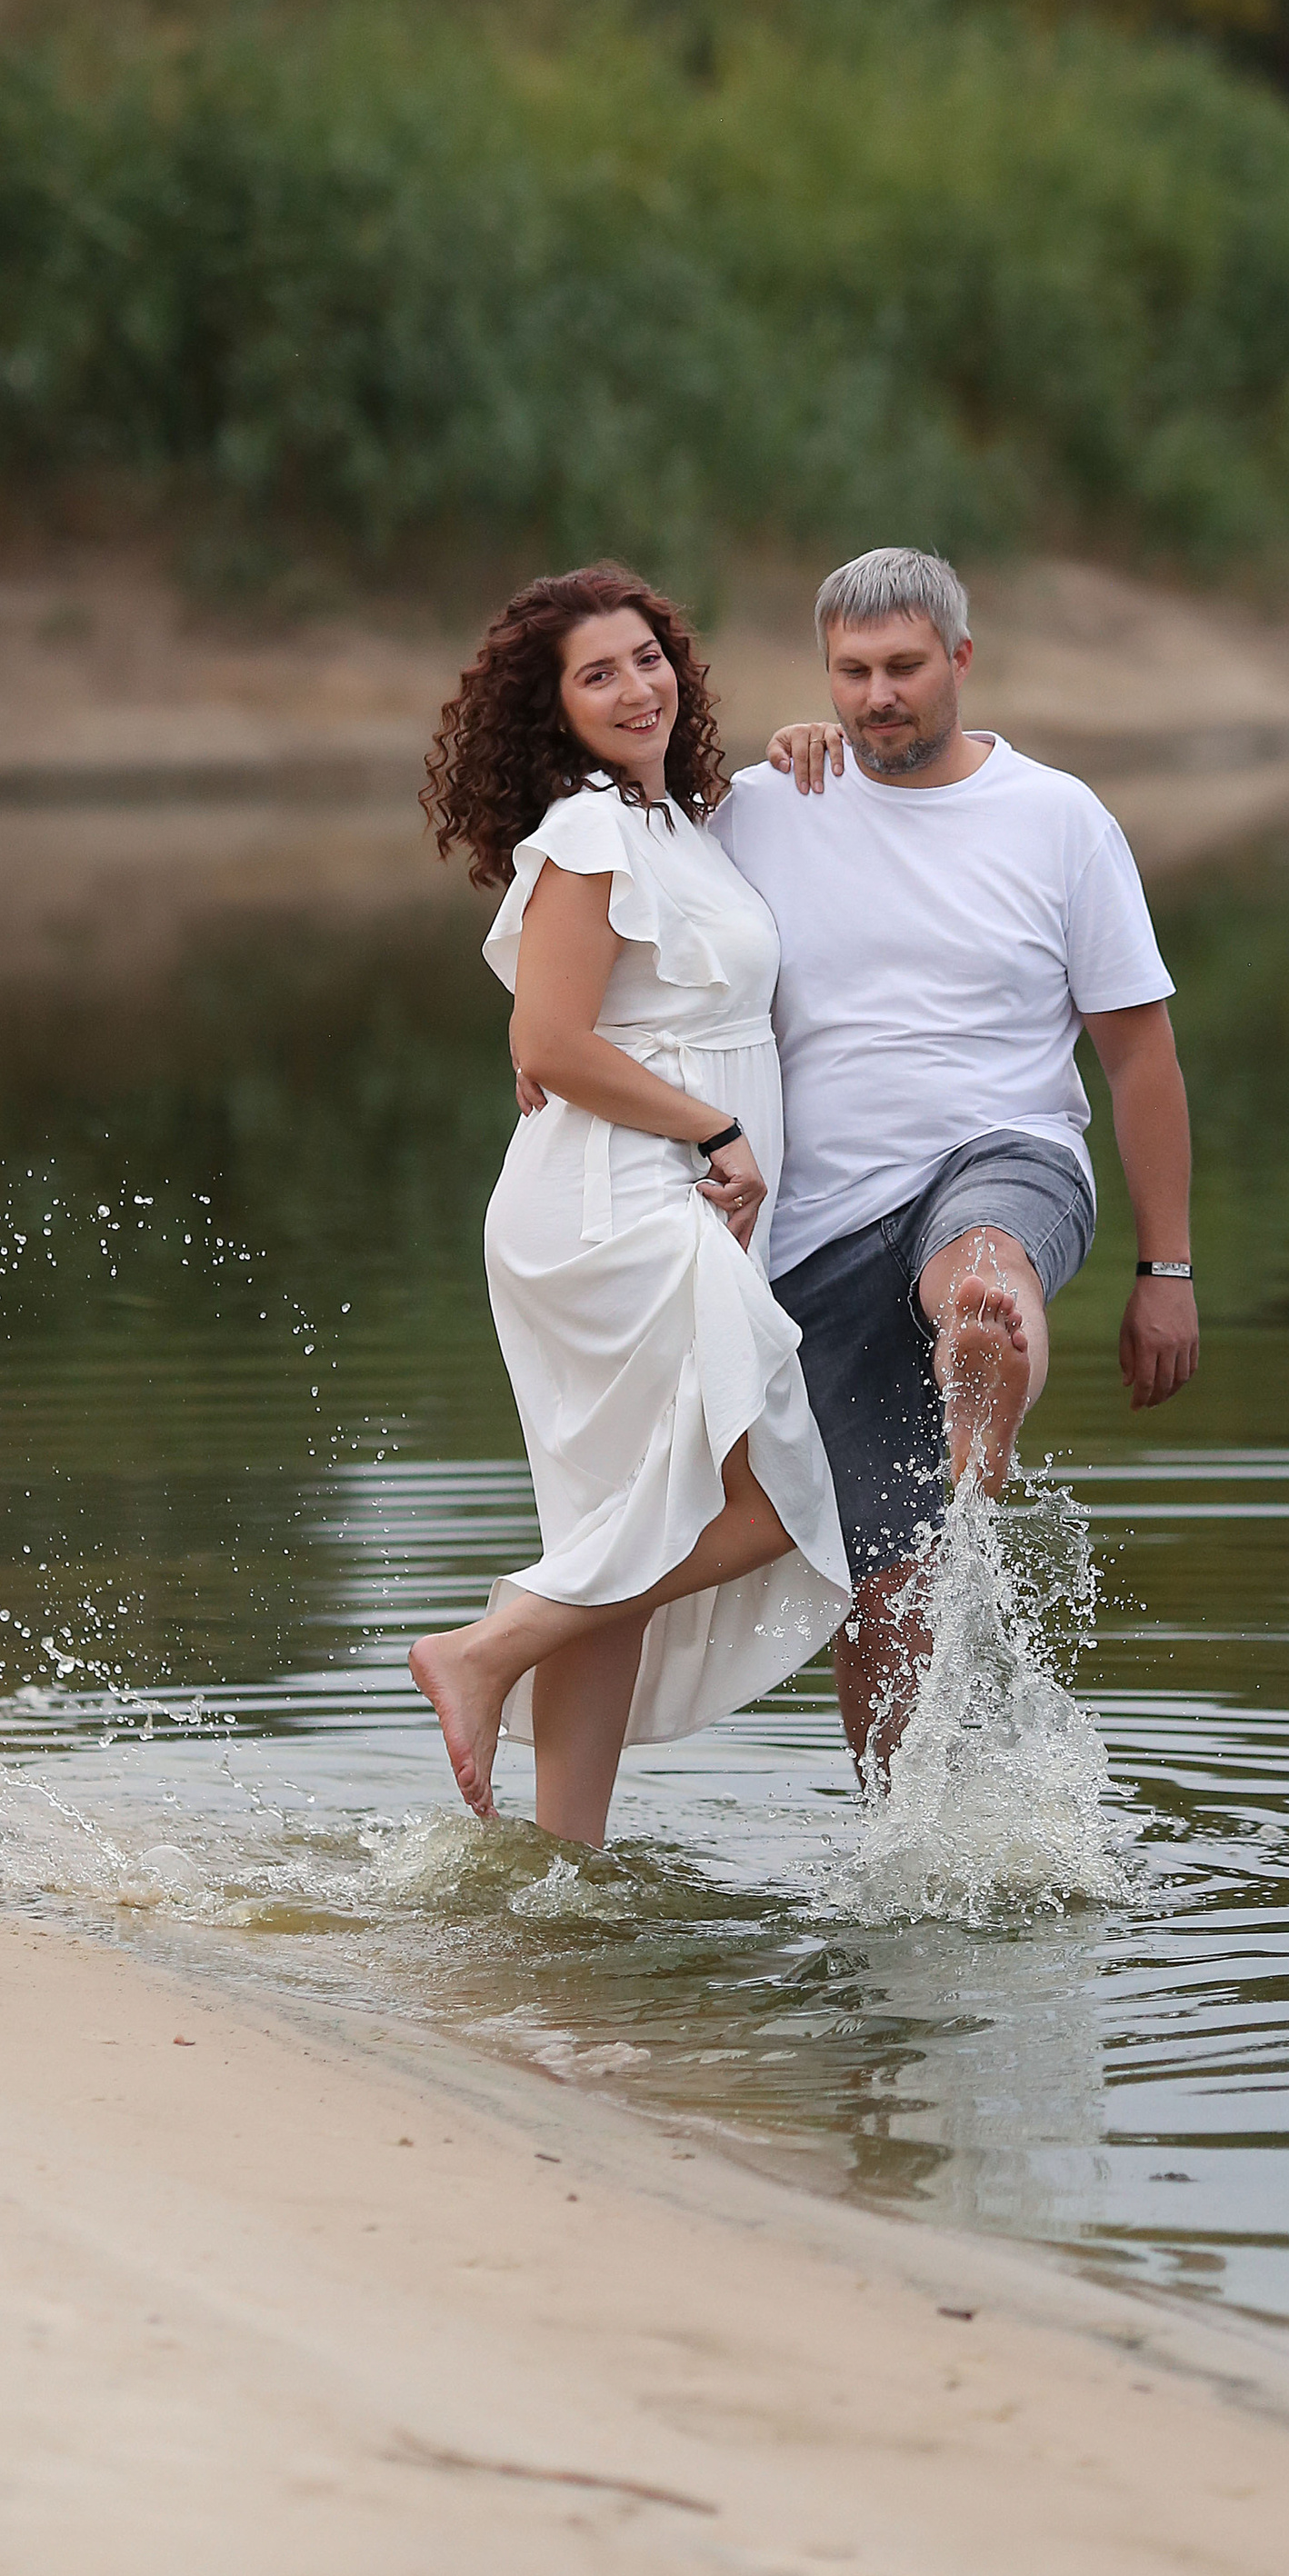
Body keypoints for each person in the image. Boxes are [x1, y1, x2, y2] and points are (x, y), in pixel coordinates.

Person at [714, 544, 1197, 1781]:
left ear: (962, 661)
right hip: (814, 1232)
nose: (881, 695)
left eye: (907, 667)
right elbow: (636, 926)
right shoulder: (762, 806)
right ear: (824, 673)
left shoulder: (1059, 820)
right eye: (854, 671)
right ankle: (901, 1838)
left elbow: (1140, 1058)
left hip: (1007, 1150)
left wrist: (1168, 1267)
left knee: (979, 1263)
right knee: (886, 1598)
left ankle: (985, 1378)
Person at [405, 564, 851, 1840]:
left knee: (618, 1532)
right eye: (598, 674)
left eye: (649, 657)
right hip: (616, 1210)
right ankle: (487, 1653)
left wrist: (805, 746)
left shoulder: (672, 824)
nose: (637, 686)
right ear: (554, 710)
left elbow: (599, 1012)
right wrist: (713, 1125)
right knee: (772, 1499)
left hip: (651, 1201)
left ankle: (565, 1865)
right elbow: (549, 1041)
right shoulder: (593, 829)